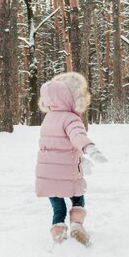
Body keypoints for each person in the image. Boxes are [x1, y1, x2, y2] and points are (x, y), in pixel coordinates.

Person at [35, 72, 108, 246]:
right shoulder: (71, 118)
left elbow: (56, 147)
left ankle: (58, 232)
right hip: (67, 171)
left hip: (46, 174)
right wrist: (90, 148)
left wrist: (80, 160)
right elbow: (77, 136)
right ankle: (76, 225)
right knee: (77, 197)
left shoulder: (48, 119)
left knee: (58, 206)